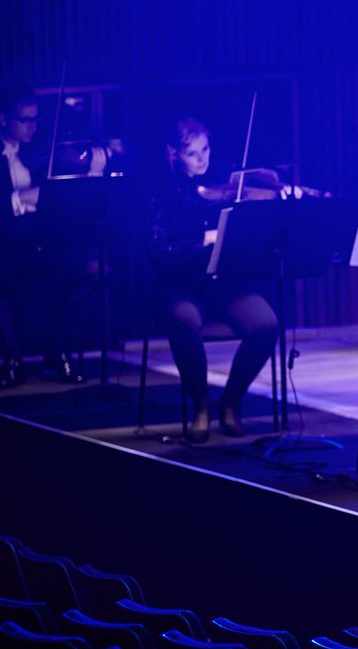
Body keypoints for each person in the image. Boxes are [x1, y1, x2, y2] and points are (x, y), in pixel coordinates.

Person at [146, 116, 278, 443]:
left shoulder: (226, 177)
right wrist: (201, 242)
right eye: (193, 153)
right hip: (179, 285)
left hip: (224, 281)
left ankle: (231, 400)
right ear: (173, 154)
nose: (203, 159)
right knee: (184, 321)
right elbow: (157, 251)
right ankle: (201, 404)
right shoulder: (160, 190)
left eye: (206, 149)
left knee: (266, 325)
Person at [0, 84, 99, 388]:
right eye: (24, 120)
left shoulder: (43, 147)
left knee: (94, 271)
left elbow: (69, 185)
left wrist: (95, 160)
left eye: (35, 119)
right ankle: (11, 357)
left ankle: (58, 349)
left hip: (45, 243)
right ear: (3, 120)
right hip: (3, 244)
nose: (32, 127)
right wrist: (21, 198)